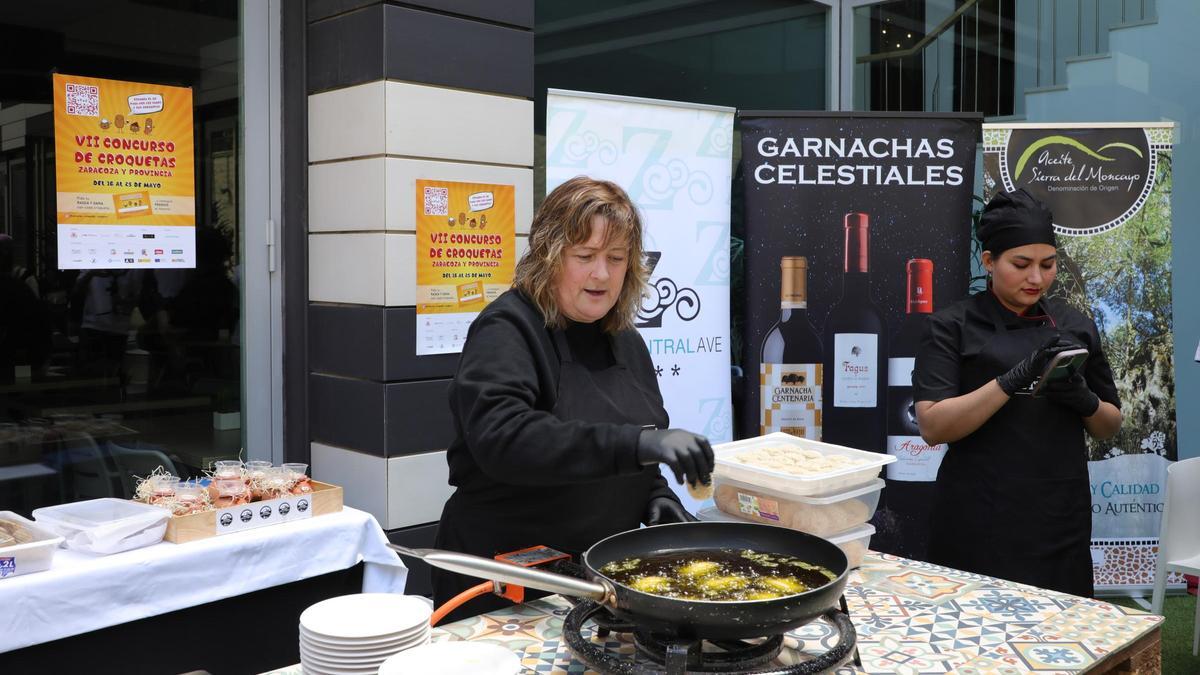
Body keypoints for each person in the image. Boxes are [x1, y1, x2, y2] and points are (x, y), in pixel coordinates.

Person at [431, 176, 714, 618]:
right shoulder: (507, 329)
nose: (602, 273)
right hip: (505, 586)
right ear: (548, 257)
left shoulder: (626, 341)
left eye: (616, 258)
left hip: (594, 582)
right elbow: (505, 438)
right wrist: (636, 446)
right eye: (585, 256)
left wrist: (655, 496)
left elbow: (624, 449)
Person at [913, 188, 1122, 597]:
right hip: (978, 513)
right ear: (989, 261)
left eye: (1048, 264)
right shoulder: (951, 327)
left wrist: (1084, 399)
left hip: (1059, 513)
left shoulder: (1075, 325)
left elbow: (1109, 425)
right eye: (1021, 264)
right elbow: (932, 425)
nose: (1037, 278)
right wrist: (1013, 379)